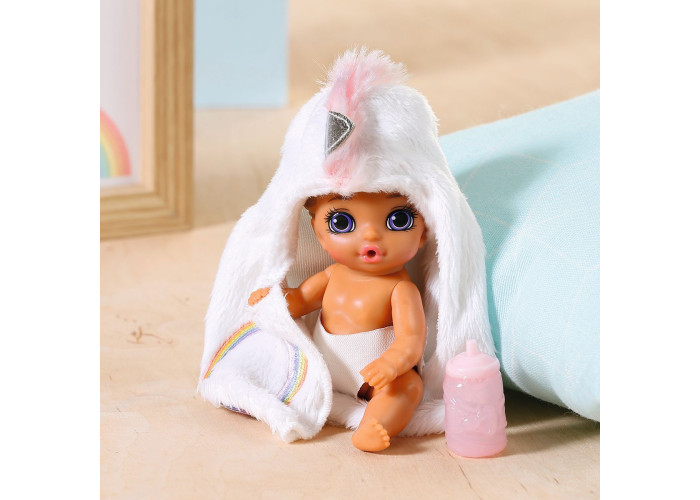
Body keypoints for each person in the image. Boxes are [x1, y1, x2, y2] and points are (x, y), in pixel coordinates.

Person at [248, 191, 427, 452]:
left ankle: (374, 424)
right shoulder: (332, 275)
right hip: (323, 367)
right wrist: (274, 300)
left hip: (373, 377)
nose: (370, 235)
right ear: (319, 234)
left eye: (398, 220)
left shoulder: (401, 289)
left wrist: (391, 363)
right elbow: (300, 300)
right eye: (342, 222)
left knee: (408, 387)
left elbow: (411, 339)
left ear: (423, 233)